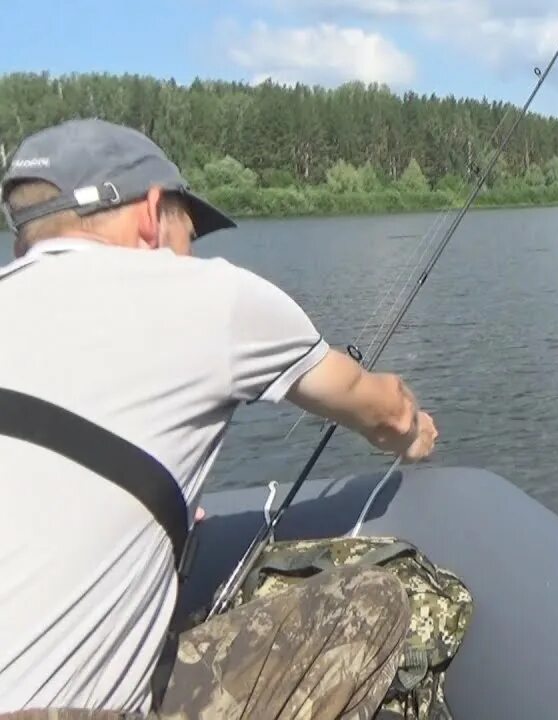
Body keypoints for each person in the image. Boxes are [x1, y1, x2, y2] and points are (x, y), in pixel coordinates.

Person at [0, 118, 439, 719]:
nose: (193, 254)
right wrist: (413, 436)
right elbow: (380, 408)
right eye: (189, 231)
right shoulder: (211, 296)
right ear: (153, 214)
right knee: (373, 604)